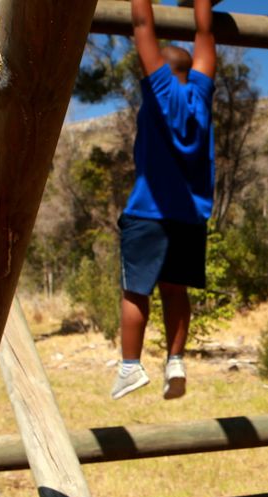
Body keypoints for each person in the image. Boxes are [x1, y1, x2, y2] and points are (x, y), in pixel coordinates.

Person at [111, 0, 217, 401]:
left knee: (136, 290)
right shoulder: (201, 95)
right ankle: (175, 360)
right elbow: (205, 34)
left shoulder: (159, 91)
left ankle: (130, 366)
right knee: (175, 291)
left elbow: (142, 23)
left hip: (148, 212)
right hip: (190, 216)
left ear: (161, 70)